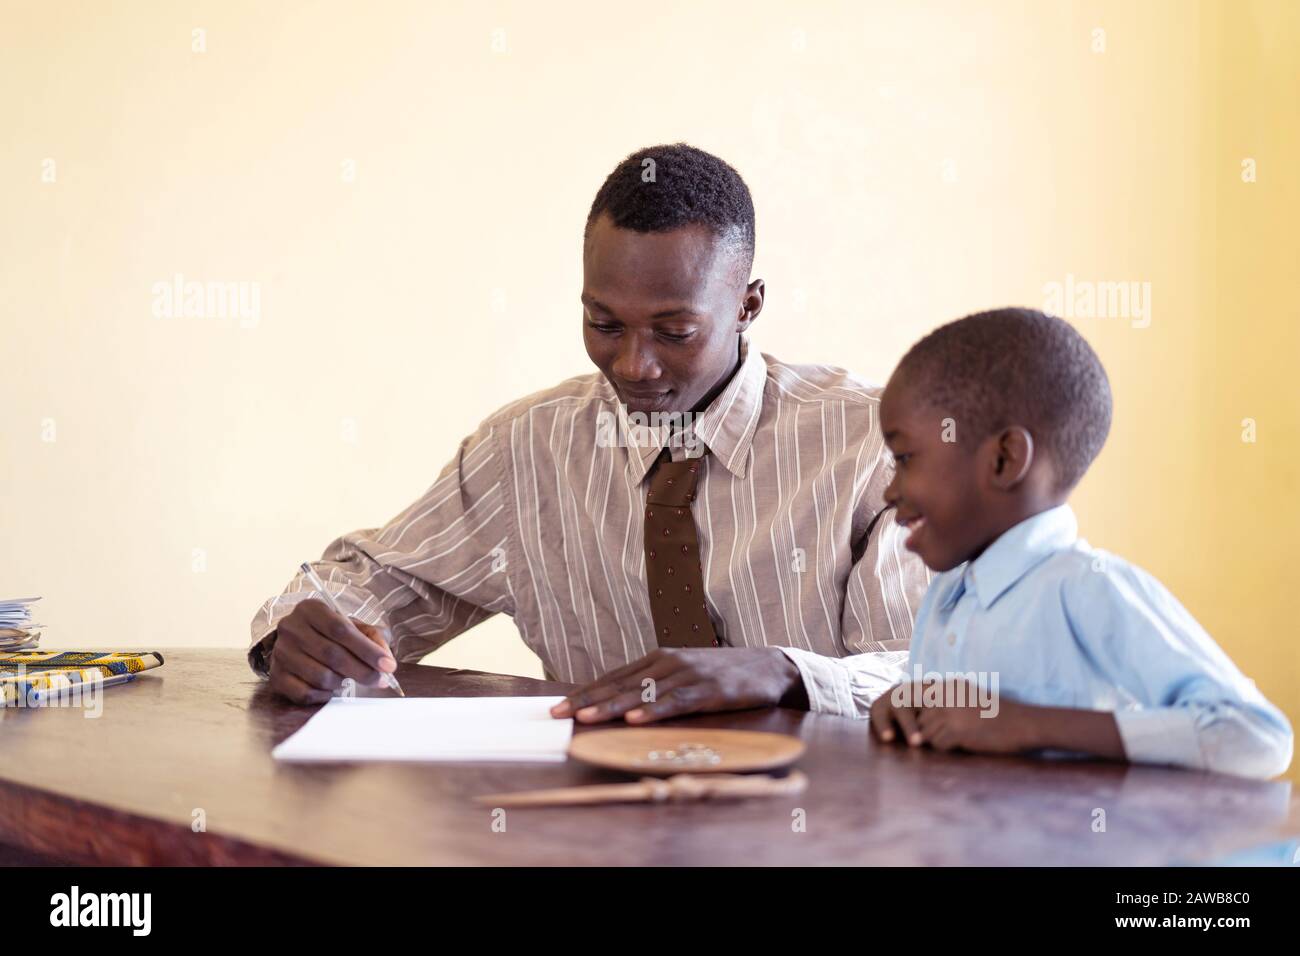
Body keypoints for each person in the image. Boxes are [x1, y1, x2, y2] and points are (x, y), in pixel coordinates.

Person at [249, 143, 930, 721]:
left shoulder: (869, 447)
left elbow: (936, 676)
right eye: (604, 324)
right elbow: (377, 582)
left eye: (675, 331)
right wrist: (303, 635)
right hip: (594, 823)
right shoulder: (527, 449)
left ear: (749, 305)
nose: (634, 364)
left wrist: (784, 673)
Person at [868, 308, 1293, 778]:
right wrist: (906, 706)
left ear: (1004, 460)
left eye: (905, 458)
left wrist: (1027, 725)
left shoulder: (1087, 586)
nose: (890, 490)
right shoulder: (946, 592)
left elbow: (1257, 737)